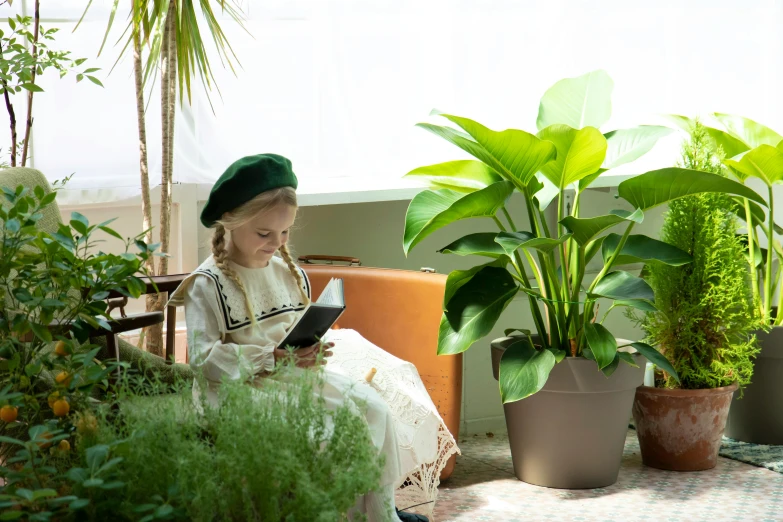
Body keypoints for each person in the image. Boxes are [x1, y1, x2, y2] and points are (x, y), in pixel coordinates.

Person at [169, 154, 457, 522]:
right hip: (236, 392)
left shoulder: (289, 273)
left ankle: (380, 512)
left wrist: (308, 349)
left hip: (291, 380)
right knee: (324, 428)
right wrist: (270, 357)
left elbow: (292, 334)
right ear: (230, 222)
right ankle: (332, 513)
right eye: (264, 233)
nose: (277, 242)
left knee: (374, 409)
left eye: (285, 232)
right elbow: (204, 361)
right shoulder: (207, 285)